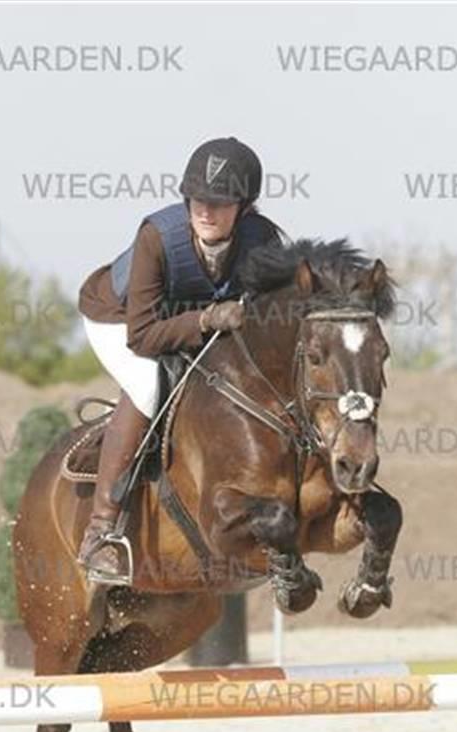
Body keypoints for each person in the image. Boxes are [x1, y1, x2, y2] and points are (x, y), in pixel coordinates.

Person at [76, 136, 284, 583]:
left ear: (245, 208)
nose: (205, 211)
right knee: (150, 384)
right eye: (197, 200)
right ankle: (101, 532)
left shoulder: (263, 240)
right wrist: (208, 318)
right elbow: (145, 335)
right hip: (121, 321)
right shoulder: (158, 236)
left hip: (191, 323)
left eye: (220, 202)